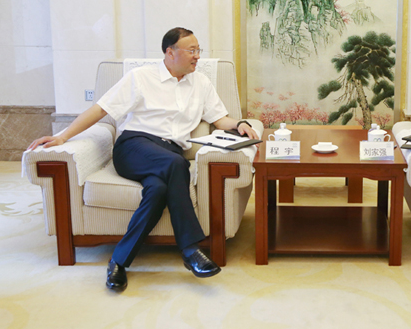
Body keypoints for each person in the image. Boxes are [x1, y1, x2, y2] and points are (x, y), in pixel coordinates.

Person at [27, 27, 258, 292]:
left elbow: (219, 119)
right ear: (170, 52)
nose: (197, 56)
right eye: (191, 50)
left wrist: (239, 124)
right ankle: (190, 249)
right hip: (134, 146)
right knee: (177, 165)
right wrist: (63, 136)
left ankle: (118, 261)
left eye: (198, 50)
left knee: (158, 189)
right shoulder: (141, 77)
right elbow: (101, 109)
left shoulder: (201, 83)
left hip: (169, 152)